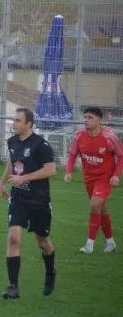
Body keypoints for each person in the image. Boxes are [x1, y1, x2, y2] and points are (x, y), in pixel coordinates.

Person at [0, 107, 57, 300]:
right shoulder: (13, 142)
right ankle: (13, 287)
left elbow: (51, 170)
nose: (13, 123)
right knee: (13, 238)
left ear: (28, 124)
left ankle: (50, 272)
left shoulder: (42, 145)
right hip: (19, 198)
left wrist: (26, 178)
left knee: (43, 242)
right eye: (13, 120)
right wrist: (2, 182)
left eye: (17, 120)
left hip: (39, 200)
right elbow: (13, 162)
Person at [64, 107, 122, 254]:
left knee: (94, 204)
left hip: (105, 178)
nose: (86, 120)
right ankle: (111, 242)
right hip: (89, 178)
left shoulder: (109, 137)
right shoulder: (79, 136)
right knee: (101, 209)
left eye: (90, 117)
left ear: (99, 120)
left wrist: (116, 175)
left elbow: (121, 156)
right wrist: (68, 172)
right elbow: (72, 154)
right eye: (85, 117)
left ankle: (89, 245)